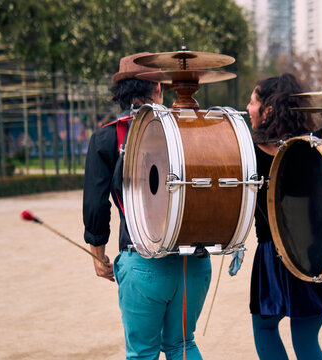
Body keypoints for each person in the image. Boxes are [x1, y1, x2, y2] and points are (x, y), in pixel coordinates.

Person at [82, 52, 211, 360]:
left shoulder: (106, 137)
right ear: (159, 89)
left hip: (142, 263)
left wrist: (98, 254)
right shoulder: (195, 131)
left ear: (120, 94)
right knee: (183, 345)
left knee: (142, 353)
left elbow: (96, 205)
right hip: (193, 262)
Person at [245, 73, 322, 360]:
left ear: (268, 110)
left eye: (252, 101)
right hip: (320, 251)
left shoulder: (251, 153)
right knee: (306, 339)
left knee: (265, 329)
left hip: (276, 253)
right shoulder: (316, 146)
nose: (247, 107)